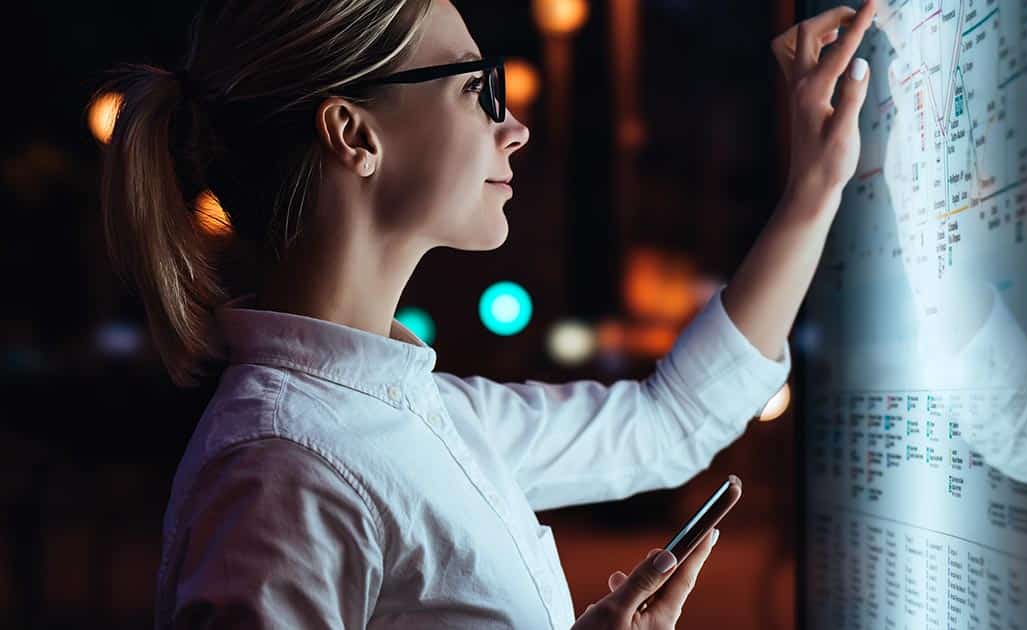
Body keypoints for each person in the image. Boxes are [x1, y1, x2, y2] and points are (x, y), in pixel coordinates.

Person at [93, 0, 877, 627]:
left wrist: (816, 185)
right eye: (477, 90)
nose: (516, 126)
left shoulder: (422, 411)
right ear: (353, 132)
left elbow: (669, 424)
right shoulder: (280, 473)